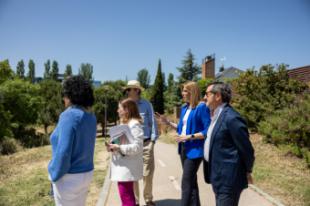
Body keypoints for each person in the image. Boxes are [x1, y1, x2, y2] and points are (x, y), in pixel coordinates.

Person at [156, 81, 211, 206]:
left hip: (195, 150)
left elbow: (207, 130)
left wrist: (189, 137)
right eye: (183, 90)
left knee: (186, 182)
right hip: (183, 149)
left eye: (185, 91)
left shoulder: (201, 107)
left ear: (193, 92)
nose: (183, 93)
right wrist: (168, 122)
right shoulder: (184, 108)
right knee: (192, 182)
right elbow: (182, 129)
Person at [203, 82, 255, 206]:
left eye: (207, 94)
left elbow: (247, 150)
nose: (204, 97)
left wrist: (247, 171)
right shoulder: (217, 115)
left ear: (218, 96)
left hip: (228, 179)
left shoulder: (232, 118)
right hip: (218, 175)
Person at [48, 75, 97, 206]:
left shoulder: (69, 115)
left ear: (70, 95)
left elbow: (63, 153)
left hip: (69, 177)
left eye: (64, 94)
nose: (63, 98)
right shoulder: (91, 117)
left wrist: (53, 174)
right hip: (86, 172)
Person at [124, 80, 159, 206]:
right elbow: (123, 125)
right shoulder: (125, 106)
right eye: (127, 89)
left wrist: (153, 140)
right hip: (131, 145)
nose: (127, 92)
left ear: (137, 90)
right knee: (133, 174)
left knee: (147, 174)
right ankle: (136, 201)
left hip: (146, 143)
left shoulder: (147, 104)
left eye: (130, 89)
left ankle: (148, 199)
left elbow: (153, 122)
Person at [107, 98, 144, 206]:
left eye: (119, 108)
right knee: (126, 197)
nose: (117, 111)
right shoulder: (126, 123)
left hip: (127, 168)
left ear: (127, 110)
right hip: (123, 167)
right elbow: (123, 142)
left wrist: (118, 147)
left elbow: (137, 147)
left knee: (127, 198)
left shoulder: (134, 124)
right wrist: (112, 147)